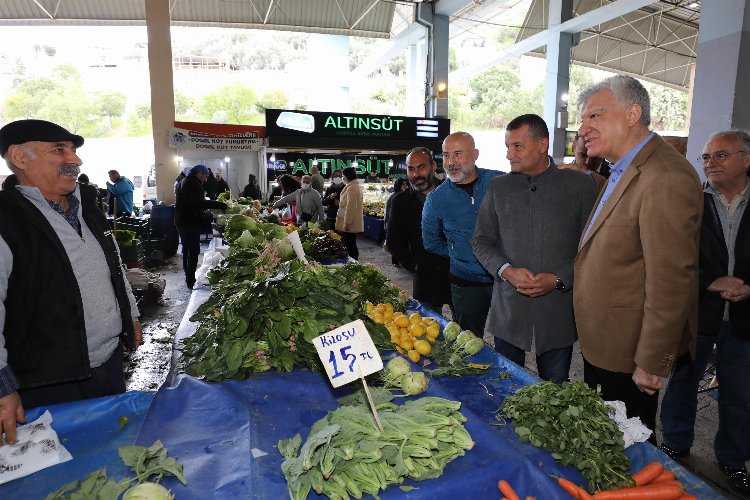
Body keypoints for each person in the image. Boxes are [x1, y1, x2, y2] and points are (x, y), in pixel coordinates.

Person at [574, 75, 703, 440]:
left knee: (629, 448)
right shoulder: (622, 169)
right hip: (604, 343)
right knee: (601, 439)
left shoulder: (665, 176)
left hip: (630, 355)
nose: (583, 129)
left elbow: (671, 281)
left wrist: (651, 362)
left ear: (633, 114)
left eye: (594, 116)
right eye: (584, 120)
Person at [0, 119, 142, 444]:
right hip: (49, 380)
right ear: (20, 158)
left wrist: (129, 315)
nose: (75, 160)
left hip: (108, 364)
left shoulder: (87, 204)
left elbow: (114, 262)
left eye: (74, 151)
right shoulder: (7, 220)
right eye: (59, 150)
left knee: (114, 447)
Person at [472, 114, 598, 383]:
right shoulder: (498, 187)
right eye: (507, 147)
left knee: (554, 392)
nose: (509, 155)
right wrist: (506, 270)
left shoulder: (580, 186)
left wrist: (559, 278)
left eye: (517, 146)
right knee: (506, 386)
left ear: (542, 144)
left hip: (557, 313)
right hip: (508, 312)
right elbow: (480, 241)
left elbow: (592, 249)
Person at [659, 130, 750, 496]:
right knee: (682, 381)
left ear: (746, 158)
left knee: (740, 393)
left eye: (721, 156)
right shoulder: (692, 201)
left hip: (745, 319)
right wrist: (710, 281)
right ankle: (676, 444)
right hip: (699, 312)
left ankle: (731, 460)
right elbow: (672, 256)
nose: (710, 163)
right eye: (707, 157)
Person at [422, 131, 503, 336]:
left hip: (504, 278)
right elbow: (431, 242)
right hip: (465, 283)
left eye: (458, 154)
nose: (450, 162)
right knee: (469, 340)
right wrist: (460, 253)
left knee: (507, 341)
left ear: (475, 154)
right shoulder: (436, 199)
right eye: (446, 155)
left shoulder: (499, 182)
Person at [387, 148, 453, 313]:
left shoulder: (454, 194)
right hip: (425, 277)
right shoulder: (400, 202)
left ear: (433, 166)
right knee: (428, 330)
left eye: (421, 167)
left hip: (458, 274)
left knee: (467, 331)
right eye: (411, 169)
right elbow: (394, 241)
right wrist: (413, 265)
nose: (416, 174)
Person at [174, 164, 227, 289]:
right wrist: (218, 204)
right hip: (189, 222)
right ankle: (191, 280)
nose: (206, 179)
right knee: (193, 251)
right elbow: (199, 203)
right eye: (205, 176)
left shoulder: (184, 181)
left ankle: (188, 276)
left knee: (187, 249)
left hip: (181, 221)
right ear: (199, 173)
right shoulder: (193, 184)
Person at [335, 167, 364, 260]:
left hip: (350, 222)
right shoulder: (353, 186)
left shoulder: (352, 188)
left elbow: (351, 207)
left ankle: (353, 261)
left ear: (347, 177)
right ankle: (352, 261)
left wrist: (347, 223)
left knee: (350, 244)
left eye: (343, 176)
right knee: (350, 243)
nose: (342, 178)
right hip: (350, 220)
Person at [383, 177, 408, 267]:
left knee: (404, 244)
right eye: (403, 184)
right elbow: (387, 212)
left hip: (405, 225)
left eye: (406, 184)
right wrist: (387, 226)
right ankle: (395, 261)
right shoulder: (392, 197)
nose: (405, 186)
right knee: (396, 243)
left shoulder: (408, 195)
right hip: (394, 225)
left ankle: (404, 261)